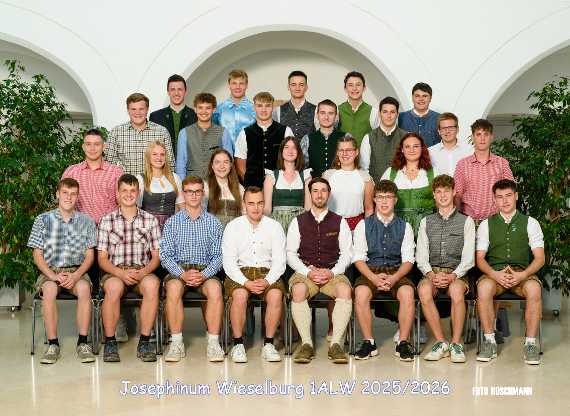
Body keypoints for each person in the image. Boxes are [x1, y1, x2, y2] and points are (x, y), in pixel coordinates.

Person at [27, 178, 97, 364]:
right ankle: (53, 344)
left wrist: (76, 275)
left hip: (77, 270)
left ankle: (83, 342)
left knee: (84, 289)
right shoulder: (42, 220)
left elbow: (90, 256)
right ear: (57, 194)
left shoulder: (87, 221)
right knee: (49, 289)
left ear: (77, 197)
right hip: (50, 271)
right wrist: (53, 276)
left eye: (73, 194)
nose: (69, 197)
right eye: (65, 193)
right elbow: (37, 255)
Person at [476, 179, 545, 365]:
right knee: (483, 289)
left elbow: (540, 258)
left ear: (516, 196)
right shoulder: (486, 224)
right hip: (495, 273)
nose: (504, 201)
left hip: (522, 273)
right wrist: (495, 274)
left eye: (508, 196)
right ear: (494, 199)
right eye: (499, 197)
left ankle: (530, 344)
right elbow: (480, 258)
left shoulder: (531, 223)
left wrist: (523, 275)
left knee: (534, 289)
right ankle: (489, 341)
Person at [287, 177, 353, 364]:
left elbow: (347, 254)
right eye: (315, 191)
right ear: (310, 194)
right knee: (298, 291)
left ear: (329, 194)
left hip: (332, 272)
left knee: (345, 291)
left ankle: (336, 344)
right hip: (305, 271)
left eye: (323, 190)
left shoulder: (340, 221)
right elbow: (290, 253)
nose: (319, 194)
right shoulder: (298, 221)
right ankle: (306, 344)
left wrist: (332, 272)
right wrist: (307, 272)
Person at [160, 176, 225, 362]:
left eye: (197, 191)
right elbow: (165, 255)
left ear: (203, 193)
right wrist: (182, 274)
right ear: (183, 194)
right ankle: (176, 343)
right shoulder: (172, 222)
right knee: (173, 288)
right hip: (179, 270)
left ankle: (213, 343)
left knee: (215, 289)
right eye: (189, 191)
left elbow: (219, 256)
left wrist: (204, 274)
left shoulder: (213, 222)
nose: (194, 195)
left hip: (205, 270)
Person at [97, 174, 161, 363]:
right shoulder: (107, 221)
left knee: (152, 285)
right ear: (117, 194)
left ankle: (144, 341)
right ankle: (110, 342)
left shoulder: (150, 220)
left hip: (141, 270)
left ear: (138, 193)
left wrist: (142, 272)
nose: (128, 194)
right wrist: (120, 273)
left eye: (133, 190)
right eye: (124, 190)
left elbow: (156, 257)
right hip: (115, 271)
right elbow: (102, 259)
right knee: (113, 287)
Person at [352, 180, 416, 361]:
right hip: (371, 270)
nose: (384, 201)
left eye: (388, 197)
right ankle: (369, 342)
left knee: (408, 293)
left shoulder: (405, 226)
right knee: (361, 293)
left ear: (395, 200)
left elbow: (408, 260)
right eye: (380, 197)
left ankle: (403, 342)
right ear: (374, 199)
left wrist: (394, 278)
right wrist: (373, 278)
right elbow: (358, 258)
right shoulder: (363, 225)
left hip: (397, 270)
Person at [222, 187, 287, 363]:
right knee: (240, 295)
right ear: (244, 204)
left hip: (267, 271)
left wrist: (267, 280)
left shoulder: (275, 227)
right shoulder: (233, 227)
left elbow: (280, 261)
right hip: (240, 271)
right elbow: (229, 262)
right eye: (251, 203)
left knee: (276, 295)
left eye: (259, 203)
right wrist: (245, 282)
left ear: (264, 204)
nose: (256, 208)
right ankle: (238, 344)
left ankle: (268, 344)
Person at [416, 174, 475, 363]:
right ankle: (441, 342)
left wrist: (453, 276)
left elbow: (468, 258)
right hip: (432, 272)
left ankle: (456, 343)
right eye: (439, 192)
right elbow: (421, 256)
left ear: (454, 192)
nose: (443, 195)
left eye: (446, 191)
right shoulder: (426, 222)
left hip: (457, 273)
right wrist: (431, 275)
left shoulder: (466, 221)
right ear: (434, 195)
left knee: (457, 291)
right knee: (424, 291)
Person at [454, 119, 514, 223]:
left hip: (496, 222)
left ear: (491, 137)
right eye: (478, 134)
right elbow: (457, 195)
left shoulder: (502, 163)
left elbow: (510, 193)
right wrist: (457, 220)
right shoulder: (462, 164)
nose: (482, 138)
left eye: (486, 134)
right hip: (468, 222)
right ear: (473, 137)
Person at [62, 128, 124, 225]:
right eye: (88, 144)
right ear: (83, 147)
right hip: (80, 228)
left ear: (104, 147)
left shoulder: (116, 172)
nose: (92, 148)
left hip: (109, 228)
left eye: (97, 144)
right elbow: (63, 203)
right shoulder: (71, 172)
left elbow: (123, 203)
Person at [234, 92, 293, 187]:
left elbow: (292, 160)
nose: (263, 110)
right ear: (254, 108)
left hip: (279, 186)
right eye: (259, 106)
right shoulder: (244, 133)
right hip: (253, 188)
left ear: (272, 107)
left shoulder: (286, 131)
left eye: (267, 106)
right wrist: (250, 186)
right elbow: (240, 165)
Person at [106, 93, 174, 176]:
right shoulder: (116, 132)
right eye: (133, 109)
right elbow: (109, 166)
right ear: (128, 110)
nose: (137, 113)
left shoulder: (162, 132)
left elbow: (170, 164)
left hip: (154, 183)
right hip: (126, 183)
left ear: (147, 109)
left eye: (141, 109)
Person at [381, 132, 437, 234]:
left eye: (416, 146)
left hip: (428, 228)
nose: (412, 150)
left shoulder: (434, 173)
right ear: (402, 150)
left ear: (422, 148)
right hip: (396, 228)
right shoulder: (390, 173)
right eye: (407, 146)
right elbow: (380, 202)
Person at [176, 92, 232, 180]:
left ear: (214, 110)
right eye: (200, 107)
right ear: (195, 109)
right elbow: (180, 164)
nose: (204, 112)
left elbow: (229, 162)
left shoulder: (223, 132)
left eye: (208, 108)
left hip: (216, 182)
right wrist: (182, 185)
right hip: (192, 183)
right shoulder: (184, 133)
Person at [323, 134, 374, 230]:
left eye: (349, 150)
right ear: (337, 153)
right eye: (341, 150)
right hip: (331, 225)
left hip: (357, 227)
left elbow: (369, 208)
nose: (344, 154)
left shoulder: (365, 178)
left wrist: (367, 230)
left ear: (356, 152)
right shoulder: (328, 176)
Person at [263, 136, 311, 231]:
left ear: (298, 152)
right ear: (281, 151)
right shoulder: (271, 176)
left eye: (294, 148)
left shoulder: (306, 176)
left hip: (299, 224)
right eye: (286, 147)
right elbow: (267, 209)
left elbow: (308, 207)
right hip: (277, 224)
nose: (290, 151)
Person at [136, 141, 183, 230]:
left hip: (172, 228)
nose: (159, 158)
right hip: (148, 228)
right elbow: (136, 209)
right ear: (148, 157)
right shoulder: (141, 179)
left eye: (162, 154)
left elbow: (182, 207)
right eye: (155, 154)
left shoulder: (175, 178)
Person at [360, 96, 407, 184]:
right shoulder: (368, 138)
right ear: (379, 113)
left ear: (397, 114)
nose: (389, 116)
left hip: (401, 187)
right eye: (385, 112)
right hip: (376, 188)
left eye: (392, 112)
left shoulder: (407, 137)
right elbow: (364, 169)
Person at [149, 74, 197, 155]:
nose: (176, 93)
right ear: (168, 92)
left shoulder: (195, 115)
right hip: (163, 161)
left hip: (189, 162)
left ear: (185, 92)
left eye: (180, 89)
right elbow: (151, 146)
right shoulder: (156, 117)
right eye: (173, 89)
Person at [213, 69, 256, 155]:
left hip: (249, 157)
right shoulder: (219, 110)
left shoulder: (254, 109)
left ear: (246, 85)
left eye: (241, 83)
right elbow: (213, 135)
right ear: (229, 85)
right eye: (234, 83)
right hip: (225, 158)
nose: (237, 87)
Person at [300, 99, 345, 177]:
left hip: (340, 182)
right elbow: (302, 168)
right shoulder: (307, 139)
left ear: (336, 116)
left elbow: (352, 166)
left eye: (330, 113)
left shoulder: (345, 137)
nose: (326, 117)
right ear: (317, 115)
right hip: (314, 183)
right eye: (322, 113)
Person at [204, 149, 244, 227]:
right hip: (213, 232)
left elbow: (244, 216)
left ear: (231, 165)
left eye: (226, 162)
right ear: (212, 166)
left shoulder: (240, 188)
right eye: (217, 162)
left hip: (235, 232)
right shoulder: (205, 187)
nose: (222, 166)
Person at [338, 71, 379, 146]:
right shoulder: (337, 111)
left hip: (366, 154)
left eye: (358, 85)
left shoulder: (373, 112)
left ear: (364, 88)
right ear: (345, 89)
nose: (354, 88)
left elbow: (378, 139)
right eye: (350, 85)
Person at [273, 70, 317, 140]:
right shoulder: (278, 110)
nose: (297, 88)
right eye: (293, 84)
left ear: (306, 87)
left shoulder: (316, 110)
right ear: (288, 87)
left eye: (301, 84)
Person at [398, 82, 441, 147]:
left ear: (430, 98)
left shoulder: (439, 118)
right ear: (412, 98)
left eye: (425, 96)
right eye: (417, 96)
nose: (421, 99)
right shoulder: (401, 117)